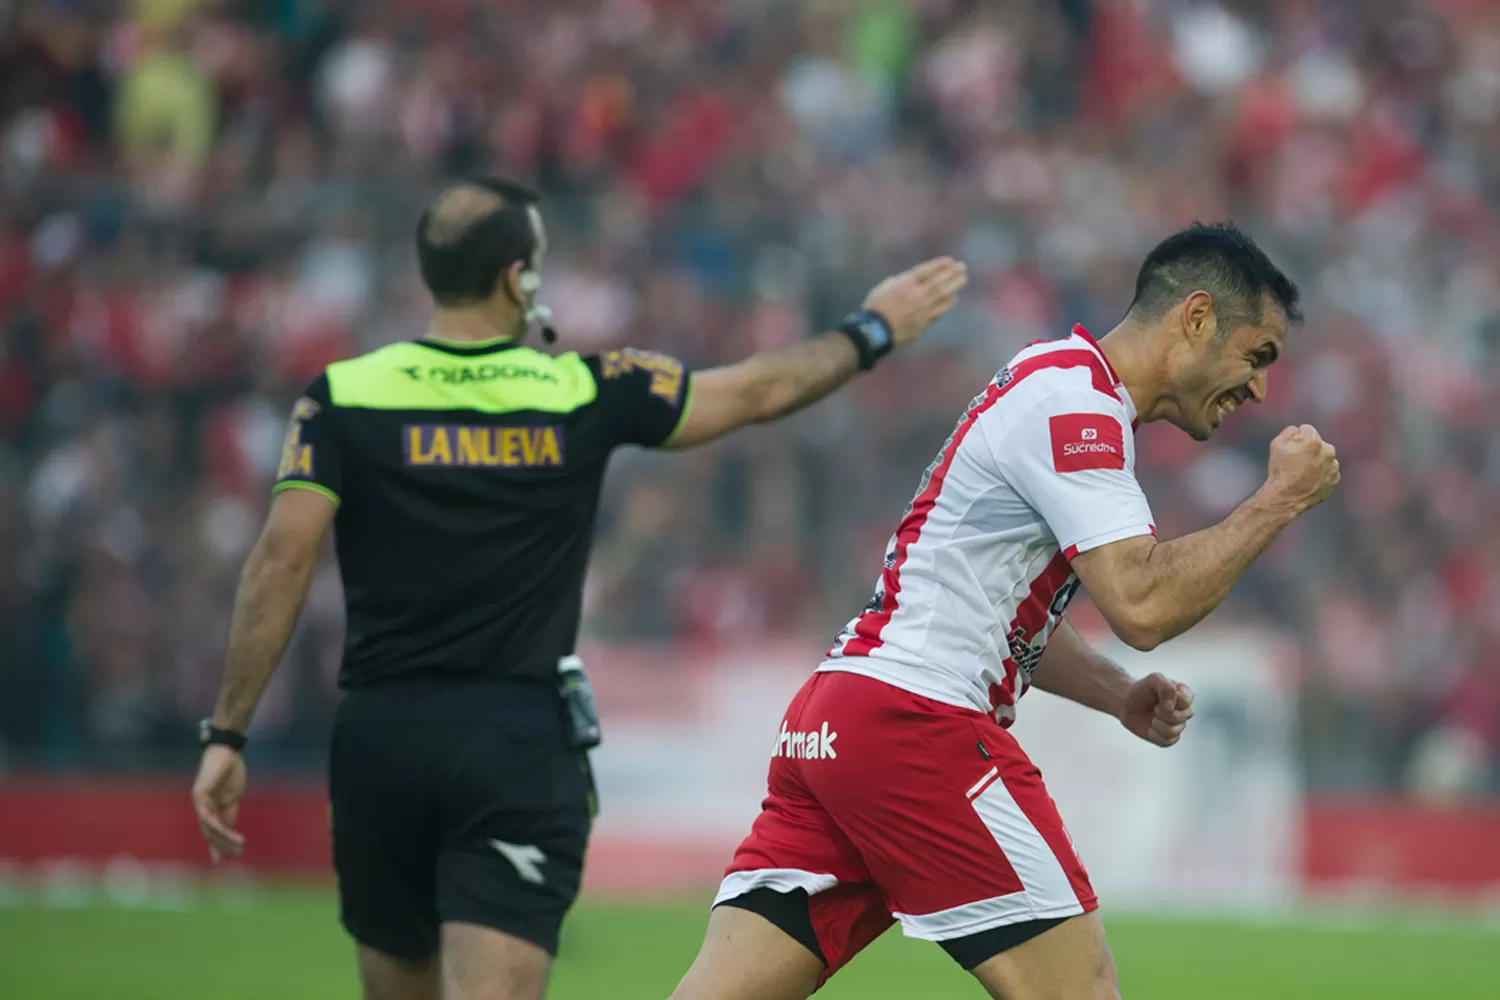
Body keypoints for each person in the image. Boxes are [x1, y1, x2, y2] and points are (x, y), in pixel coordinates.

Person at [187, 176, 968, 1000]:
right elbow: (758, 390)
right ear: (518, 277)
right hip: (514, 741)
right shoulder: (581, 389)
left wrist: (227, 734)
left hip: (382, 737)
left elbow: (281, 560)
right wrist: (873, 328)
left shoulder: (340, 397)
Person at [669, 223, 1340, 1000]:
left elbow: (990, 613)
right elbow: (1143, 603)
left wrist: (1118, 694)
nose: (1258, 389)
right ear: (1194, 318)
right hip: (915, 725)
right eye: (1256, 357)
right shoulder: (1077, 406)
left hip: (836, 721)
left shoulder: (1051, 384)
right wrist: (1279, 500)